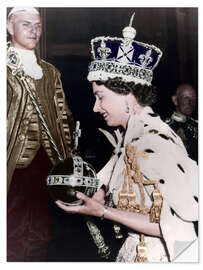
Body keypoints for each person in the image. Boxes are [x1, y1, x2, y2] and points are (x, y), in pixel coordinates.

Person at [56, 14, 198, 262]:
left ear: (128, 95)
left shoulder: (156, 141)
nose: (95, 107)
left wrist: (103, 211)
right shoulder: (131, 137)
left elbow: (176, 228)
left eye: (100, 96)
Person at [7, 7, 75, 262]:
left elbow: (63, 117)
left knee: (40, 234)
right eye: (26, 24)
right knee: (11, 232)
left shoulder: (50, 72)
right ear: (9, 27)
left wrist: (68, 156)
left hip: (47, 164)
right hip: (12, 163)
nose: (34, 30)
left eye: (38, 25)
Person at [165, 84, 198, 163]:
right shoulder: (167, 127)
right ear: (175, 100)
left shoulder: (196, 124)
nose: (190, 102)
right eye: (186, 98)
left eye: (193, 98)